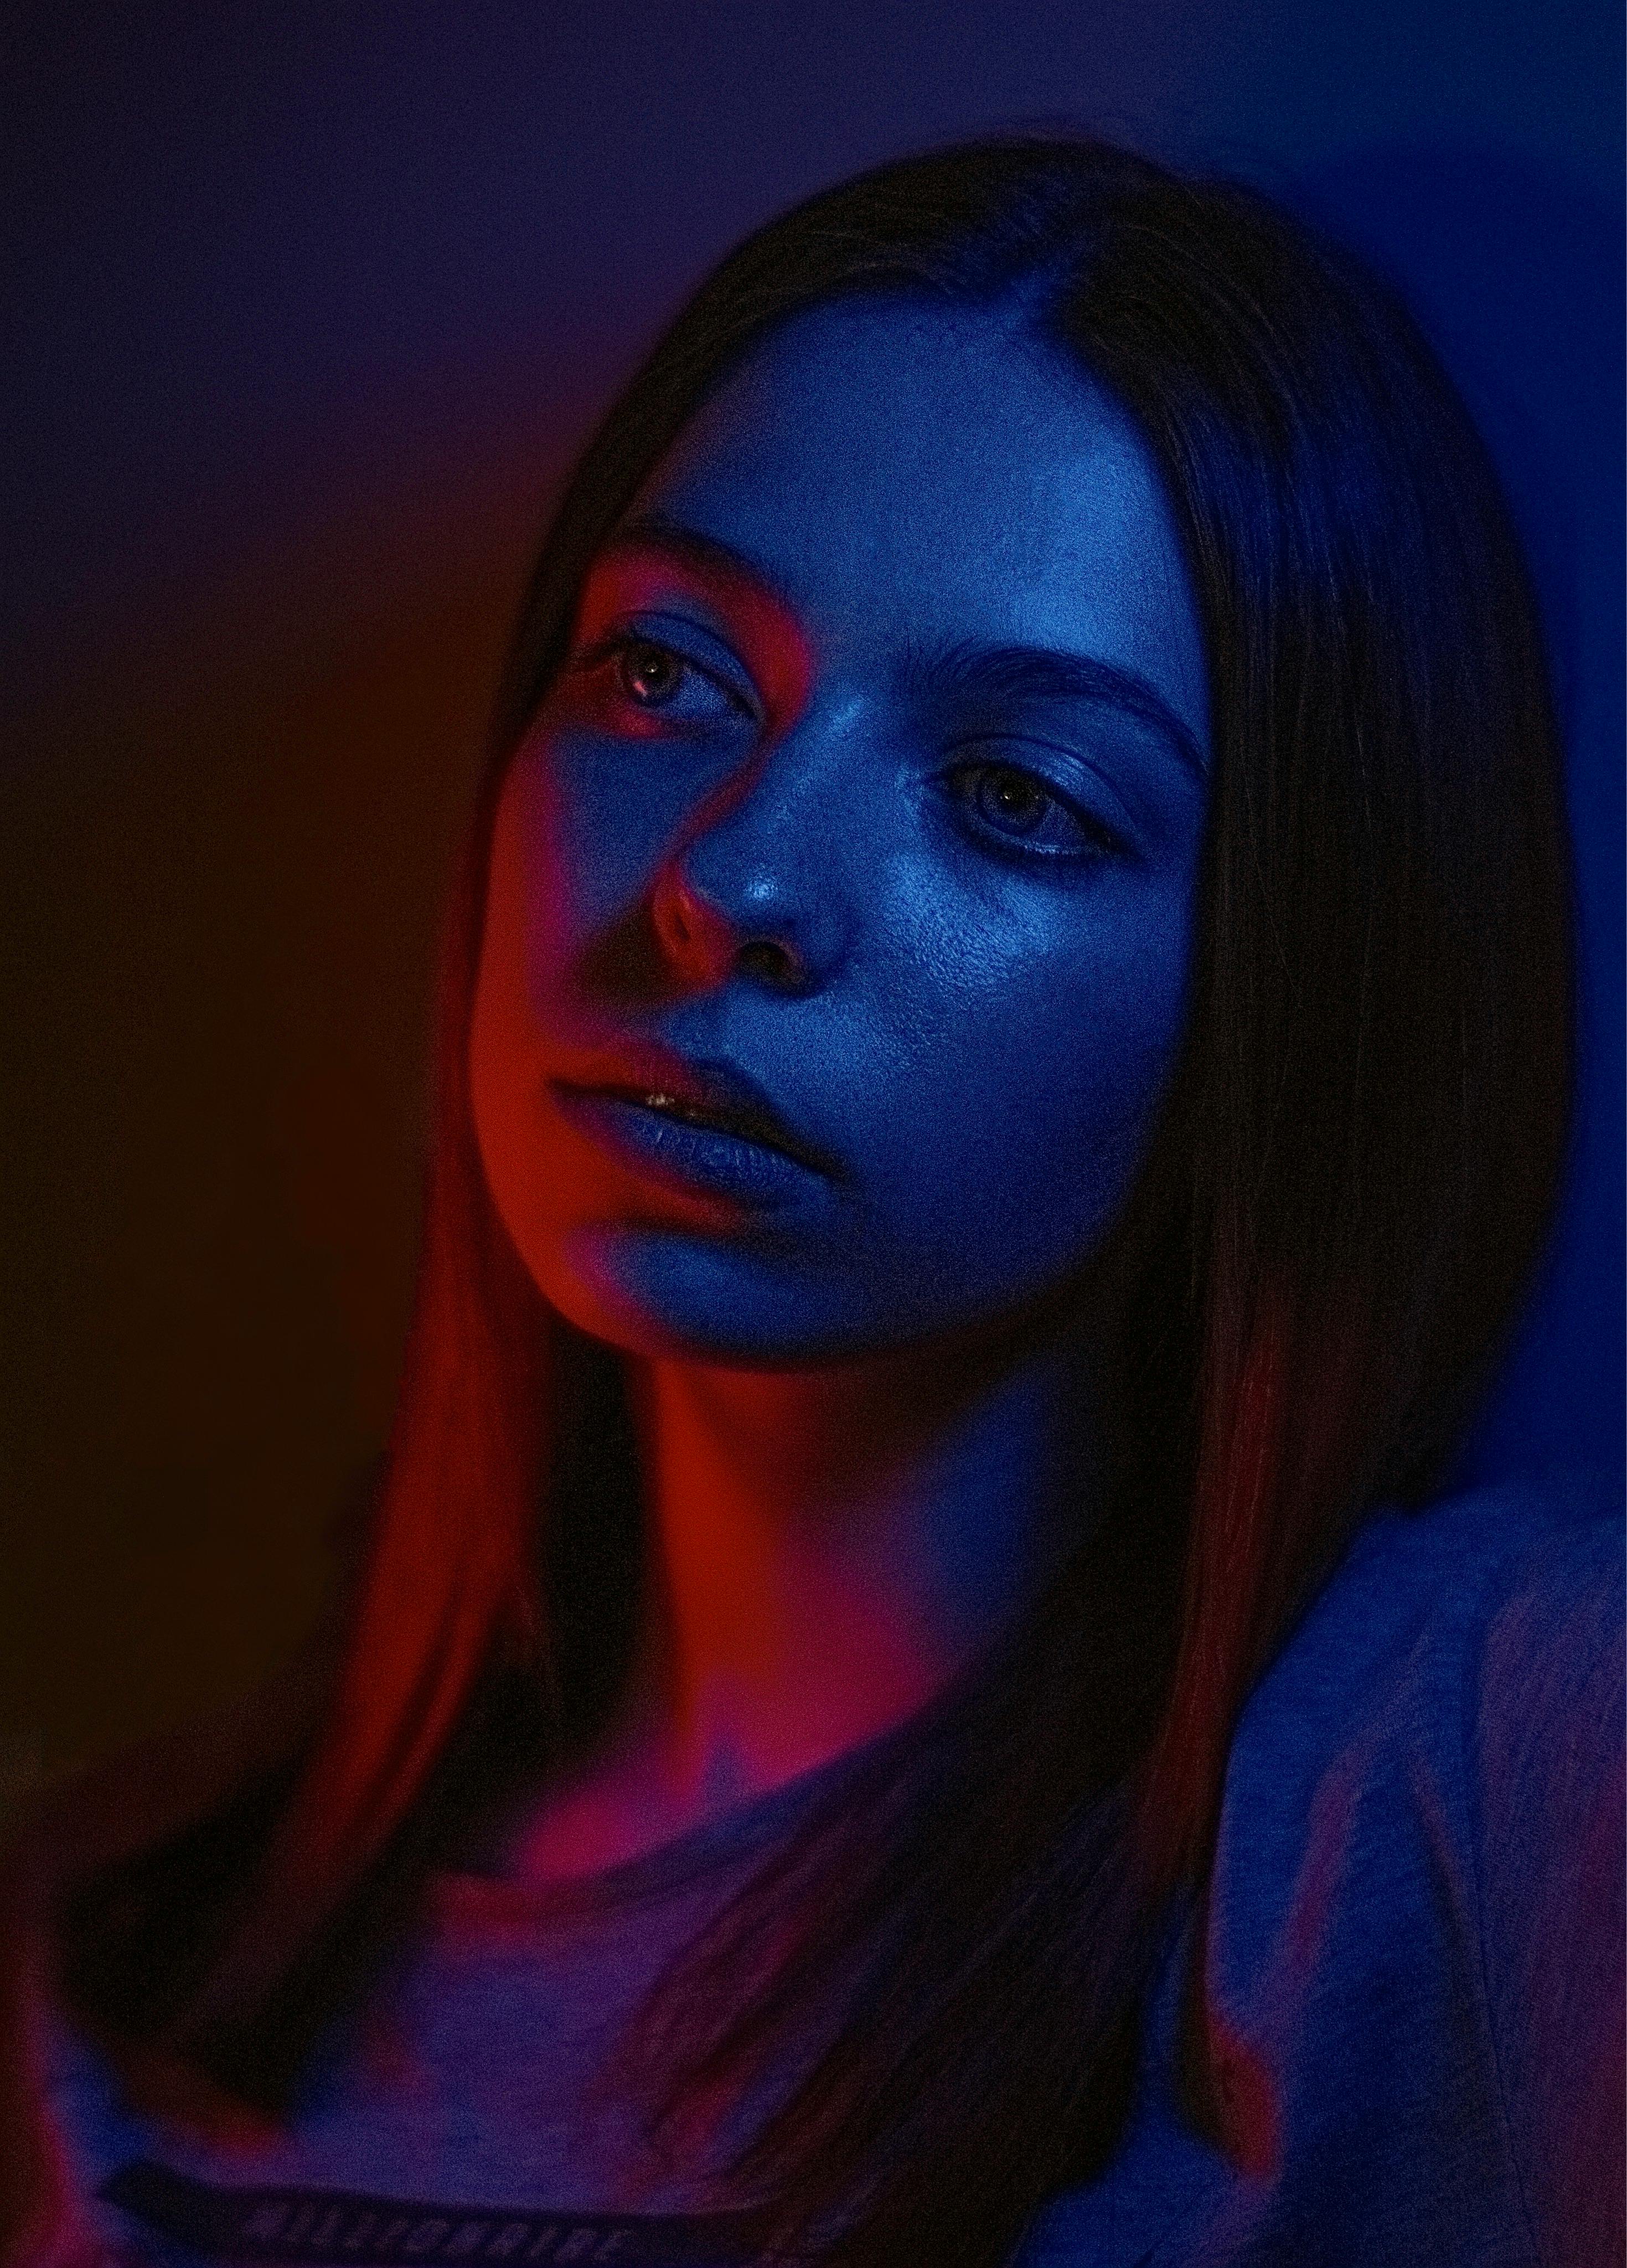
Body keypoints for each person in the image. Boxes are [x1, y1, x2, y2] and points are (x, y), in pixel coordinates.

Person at [3, 133, 1620, 2268]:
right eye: (664, 675)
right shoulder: (96, 1957)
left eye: (1013, 797)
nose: (729, 882)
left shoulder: (1483, 1784)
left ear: (1274, 992)